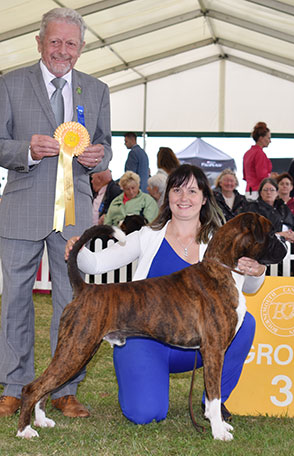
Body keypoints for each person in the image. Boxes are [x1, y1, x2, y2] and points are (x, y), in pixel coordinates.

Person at [66, 164, 266, 425]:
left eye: (192, 191)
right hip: (143, 337)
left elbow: (248, 288)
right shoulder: (148, 236)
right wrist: (76, 249)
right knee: (146, 414)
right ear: (167, 196)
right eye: (177, 190)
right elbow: (95, 265)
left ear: (205, 198)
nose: (184, 198)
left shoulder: (220, 239)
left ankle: (215, 403)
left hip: (195, 342)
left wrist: (257, 270)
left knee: (245, 323)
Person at [0, 7, 112, 417]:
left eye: (70, 43)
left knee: (73, 304)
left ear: (81, 49)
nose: (62, 50)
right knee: (14, 301)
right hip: (20, 209)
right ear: (39, 42)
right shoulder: (9, 84)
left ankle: (65, 388)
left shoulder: (97, 90)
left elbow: (104, 147)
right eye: (55, 42)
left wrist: (99, 157)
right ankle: (14, 386)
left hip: (74, 213)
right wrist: (26, 149)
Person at [243, 178, 294, 243]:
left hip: (288, 244)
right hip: (264, 246)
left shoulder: (283, 207)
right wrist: (279, 235)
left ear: (277, 193)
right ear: (261, 193)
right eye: (265, 190)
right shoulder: (253, 208)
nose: (268, 192)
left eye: (272, 190)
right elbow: (253, 233)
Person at [243, 122, 272, 200]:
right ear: (261, 138)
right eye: (268, 138)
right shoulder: (260, 154)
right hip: (258, 191)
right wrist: (272, 176)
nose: (270, 141)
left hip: (249, 190)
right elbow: (262, 176)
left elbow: (245, 176)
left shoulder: (247, 153)